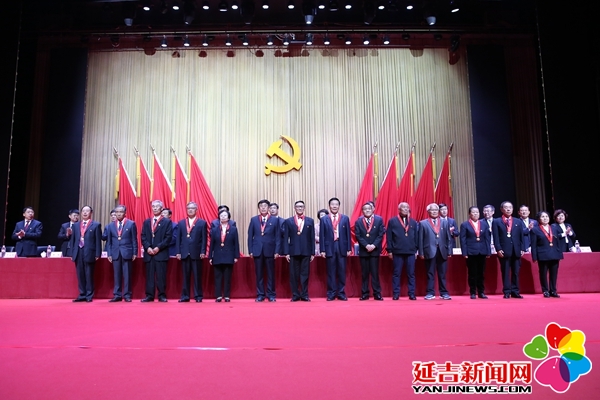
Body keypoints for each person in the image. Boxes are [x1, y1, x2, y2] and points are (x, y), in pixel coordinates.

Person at [418, 203, 453, 300]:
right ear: (428, 212)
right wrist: (421, 252)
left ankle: (444, 293)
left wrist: (449, 251)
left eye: (436, 210)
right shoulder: (423, 223)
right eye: (432, 210)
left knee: (442, 274)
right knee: (430, 273)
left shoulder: (444, 222)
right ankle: (430, 293)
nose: (434, 212)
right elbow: (420, 239)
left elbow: (448, 238)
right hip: (429, 251)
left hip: (442, 251)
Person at [319, 197, 352, 301]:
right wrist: (322, 250)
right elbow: (322, 235)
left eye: (336, 204)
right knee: (331, 271)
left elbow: (348, 234)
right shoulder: (324, 219)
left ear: (339, 206)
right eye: (332, 204)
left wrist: (349, 248)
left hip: (342, 246)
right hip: (329, 247)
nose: (334, 206)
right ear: (329, 206)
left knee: (342, 271)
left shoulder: (345, 218)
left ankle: (341, 293)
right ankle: (331, 293)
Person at [248, 199, 280, 302]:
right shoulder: (254, 219)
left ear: (268, 208)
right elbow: (250, 236)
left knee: (270, 274)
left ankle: (271, 294)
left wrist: (277, 251)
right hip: (257, 250)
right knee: (259, 274)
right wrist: (250, 250)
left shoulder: (274, 220)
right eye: (261, 206)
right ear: (259, 208)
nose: (263, 208)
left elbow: (278, 236)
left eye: (265, 206)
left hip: (270, 250)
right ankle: (260, 294)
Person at [141, 200, 173, 302]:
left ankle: (161, 295)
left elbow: (168, 238)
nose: (154, 208)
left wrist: (158, 247)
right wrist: (148, 247)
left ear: (161, 208)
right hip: (149, 253)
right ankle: (149, 295)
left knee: (161, 276)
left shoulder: (167, 222)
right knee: (149, 276)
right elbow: (143, 236)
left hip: (161, 253)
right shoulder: (147, 222)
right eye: (153, 206)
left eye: (157, 206)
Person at [282, 200, 315, 302]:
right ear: (294, 208)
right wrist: (286, 252)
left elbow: (312, 237)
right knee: (293, 274)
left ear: (304, 208)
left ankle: (304, 295)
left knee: (305, 274)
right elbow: (286, 238)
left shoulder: (310, 221)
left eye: (301, 207)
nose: (300, 208)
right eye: (298, 207)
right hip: (293, 251)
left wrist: (312, 252)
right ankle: (295, 295)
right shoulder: (288, 221)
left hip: (306, 251)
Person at [492, 201, 526, 299]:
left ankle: (515, 291)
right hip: (504, 251)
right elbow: (496, 237)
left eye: (510, 207)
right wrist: (498, 249)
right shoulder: (496, 221)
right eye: (506, 207)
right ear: (501, 209)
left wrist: (522, 248)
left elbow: (521, 236)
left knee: (516, 272)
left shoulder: (518, 221)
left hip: (516, 250)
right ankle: (506, 291)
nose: (508, 209)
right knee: (505, 272)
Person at [386, 202, 419, 300]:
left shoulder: (413, 222)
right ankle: (396, 293)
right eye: (403, 207)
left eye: (407, 207)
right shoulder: (392, 221)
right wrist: (390, 250)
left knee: (411, 274)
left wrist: (416, 250)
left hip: (410, 251)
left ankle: (411, 293)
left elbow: (416, 237)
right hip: (397, 251)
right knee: (396, 273)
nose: (405, 209)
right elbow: (389, 237)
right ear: (399, 209)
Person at [69, 205, 102, 302]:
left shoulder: (96, 225)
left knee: (89, 274)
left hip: (90, 252)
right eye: (83, 211)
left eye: (87, 211)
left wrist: (97, 254)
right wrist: (72, 253)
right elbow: (73, 240)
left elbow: (98, 241)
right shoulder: (76, 225)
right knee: (80, 274)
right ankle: (82, 294)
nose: (85, 213)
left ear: (91, 213)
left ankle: (89, 295)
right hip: (78, 251)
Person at [105, 205, 138, 302]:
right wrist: (109, 254)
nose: (119, 214)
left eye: (121, 212)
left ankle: (127, 295)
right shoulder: (110, 226)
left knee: (127, 275)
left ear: (125, 213)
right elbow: (109, 241)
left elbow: (134, 239)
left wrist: (135, 252)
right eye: (117, 212)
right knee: (117, 274)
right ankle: (117, 294)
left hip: (127, 252)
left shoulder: (131, 224)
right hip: (115, 253)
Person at [176, 202, 207, 303]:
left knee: (197, 276)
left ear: (196, 210)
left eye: (192, 208)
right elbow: (178, 239)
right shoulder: (181, 223)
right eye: (188, 208)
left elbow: (204, 239)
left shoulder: (202, 223)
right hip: (184, 253)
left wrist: (203, 251)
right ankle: (185, 296)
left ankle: (198, 296)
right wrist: (178, 252)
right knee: (185, 276)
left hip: (196, 253)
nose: (190, 210)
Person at [355, 202, 385, 301]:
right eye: (365, 209)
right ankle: (365, 293)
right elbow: (358, 235)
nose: (367, 210)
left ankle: (377, 293)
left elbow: (380, 234)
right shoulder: (358, 221)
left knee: (375, 273)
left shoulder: (379, 219)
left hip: (374, 251)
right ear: (362, 211)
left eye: (369, 208)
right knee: (364, 274)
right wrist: (366, 245)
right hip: (364, 251)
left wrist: (373, 245)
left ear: (373, 209)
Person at [459, 206, 491, 299]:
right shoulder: (465, 225)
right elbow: (463, 240)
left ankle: (481, 292)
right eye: (473, 212)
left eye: (477, 212)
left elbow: (487, 239)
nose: (475, 214)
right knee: (472, 273)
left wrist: (488, 251)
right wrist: (464, 253)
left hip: (482, 251)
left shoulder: (484, 224)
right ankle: (472, 292)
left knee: (481, 273)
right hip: (471, 252)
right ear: (469, 214)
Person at [531, 211, 564, 298]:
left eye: (546, 216)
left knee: (554, 274)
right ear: (539, 219)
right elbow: (533, 245)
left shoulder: (554, 228)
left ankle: (553, 290)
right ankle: (545, 290)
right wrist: (534, 257)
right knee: (543, 274)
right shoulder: (535, 230)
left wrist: (560, 254)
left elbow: (558, 242)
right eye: (543, 217)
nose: (545, 218)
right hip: (543, 255)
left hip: (554, 254)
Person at [209, 209, 239, 302]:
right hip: (217, 256)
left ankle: (226, 296)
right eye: (221, 216)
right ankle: (218, 296)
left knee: (227, 277)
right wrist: (210, 257)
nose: (223, 217)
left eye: (225, 215)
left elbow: (236, 243)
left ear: (228, 218)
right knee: (217, 277)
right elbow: (212, 244)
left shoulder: (233, 229)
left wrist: (236, 256)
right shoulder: (215, 229)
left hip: (229, 256)